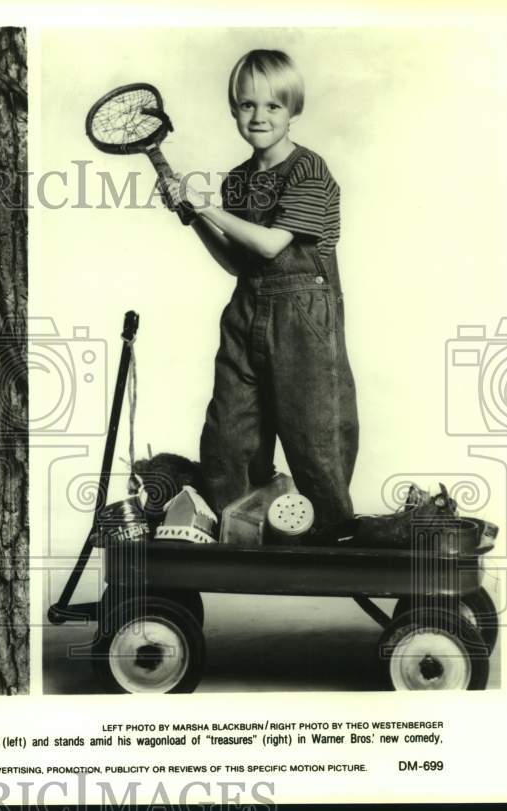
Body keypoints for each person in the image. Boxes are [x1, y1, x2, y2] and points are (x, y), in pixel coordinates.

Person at [165, 49, 359, 530]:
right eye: (247, 105)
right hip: (247, 309)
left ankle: (332, 534)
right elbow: (238, 261)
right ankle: (242, 531)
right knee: (229, 436)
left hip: (302, 317)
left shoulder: (308, 171)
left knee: (314, 435)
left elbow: (273, 245)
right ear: (234, 109)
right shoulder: (237, 181)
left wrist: (204, 206)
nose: (258, 116)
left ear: (293, 110)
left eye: (273, 106)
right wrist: (192, 218)